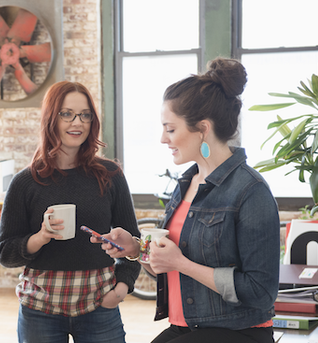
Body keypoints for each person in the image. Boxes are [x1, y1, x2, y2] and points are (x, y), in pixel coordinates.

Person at [96, 58, 280, 343]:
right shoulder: (187, 184)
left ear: (203, 129)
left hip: (239, 332)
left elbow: (261, 291)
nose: (162, 139)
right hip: (188, 327)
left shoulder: (250, 191)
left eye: (170, 129)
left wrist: (181, 264)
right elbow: (169, 264)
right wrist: (135, 248)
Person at [0, 81, 141, 343]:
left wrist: (120, 290)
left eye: (85, 115)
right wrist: (40, 236)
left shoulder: (111, 176)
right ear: (51, 118)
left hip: (99, 305)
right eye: (67, 114)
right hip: (40, 309)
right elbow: (5, 253)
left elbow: (134, 246)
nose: (78, 122)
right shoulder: (25, 182)